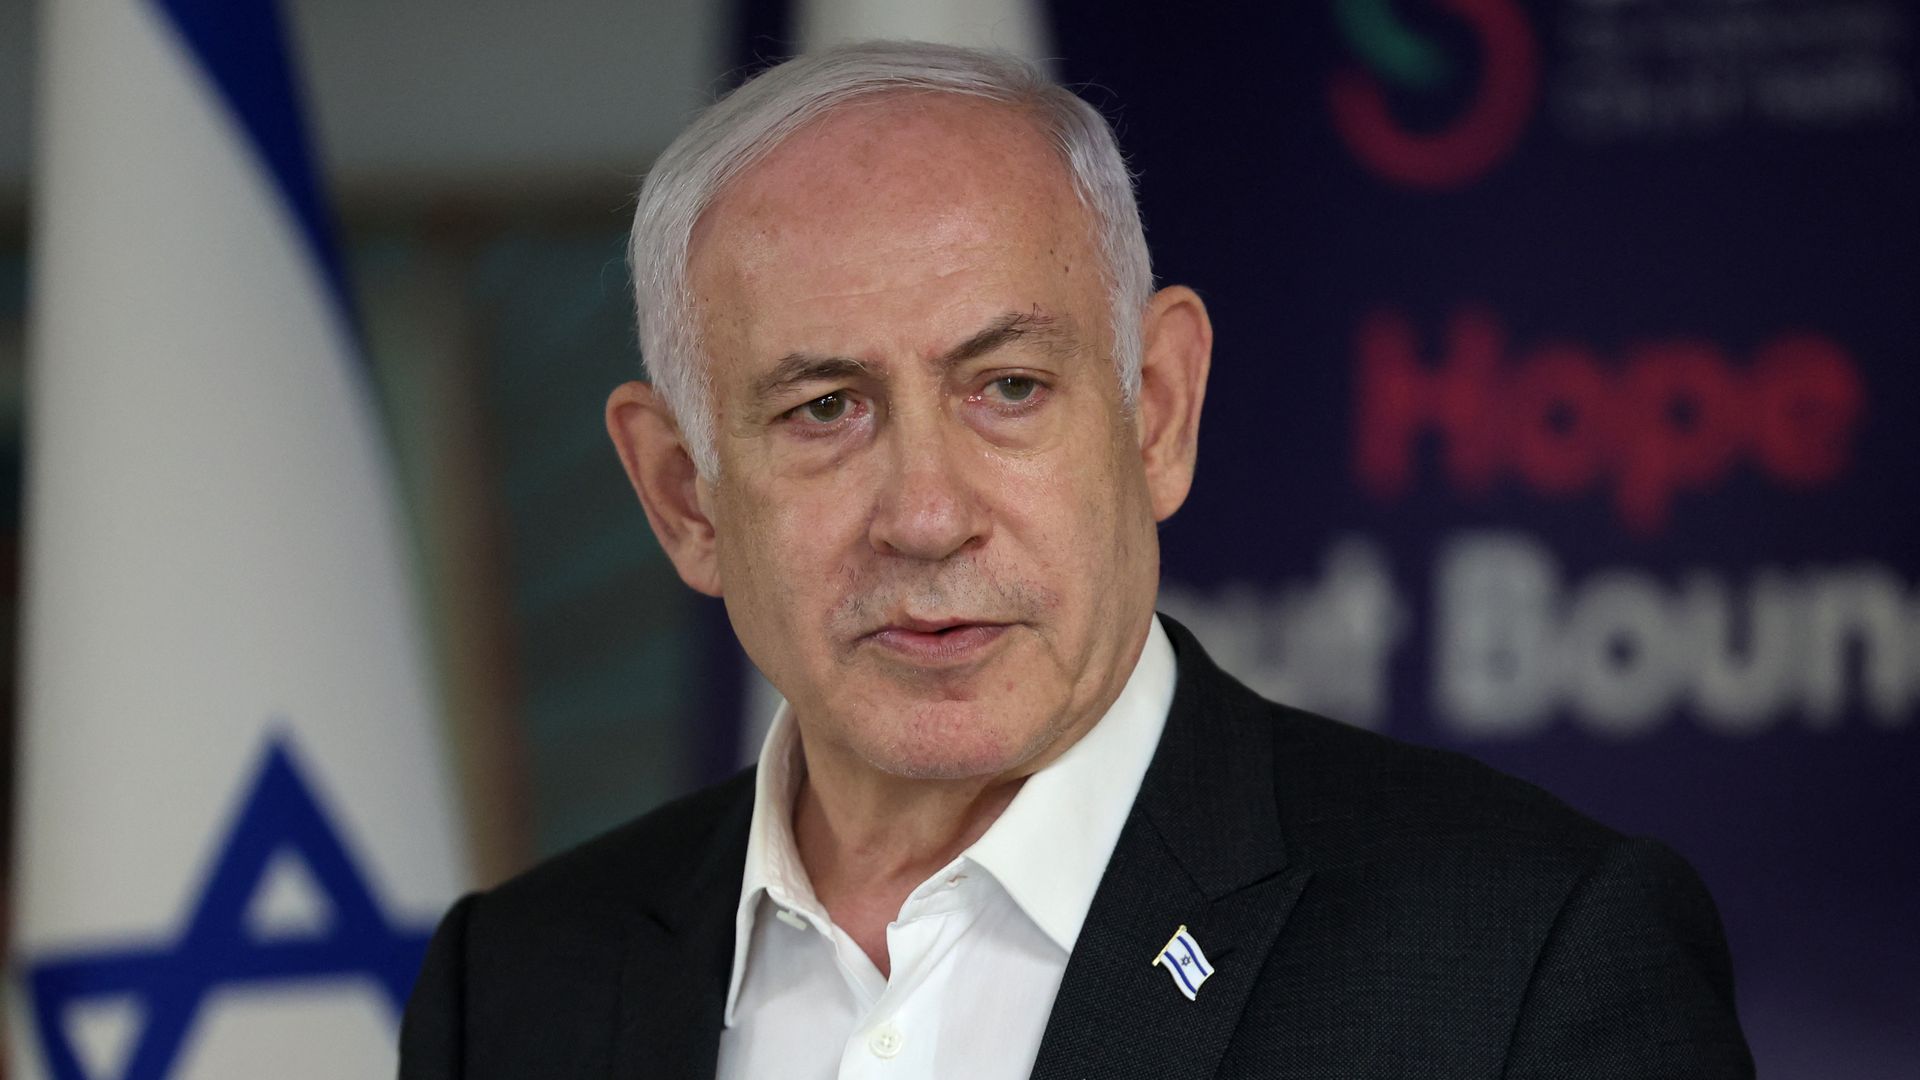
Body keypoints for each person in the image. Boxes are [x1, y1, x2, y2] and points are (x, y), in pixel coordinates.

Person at [400, 40, 1752, 1078]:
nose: (927, 515)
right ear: (683, 494)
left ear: (1156, 410)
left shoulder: (1525, 960)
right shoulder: (512, 991)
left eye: (1007, 388)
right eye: (825, 410)